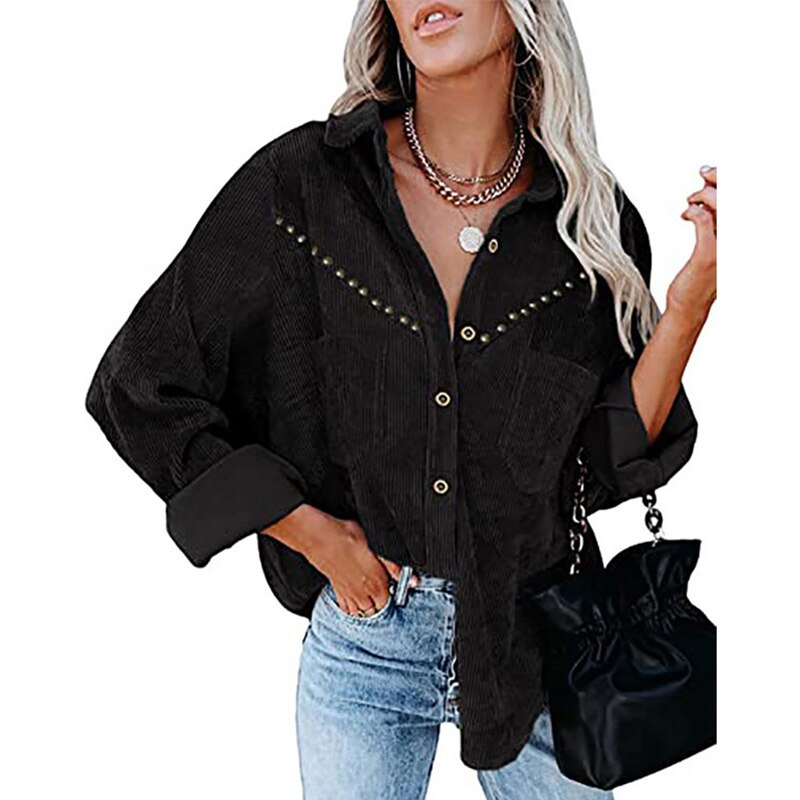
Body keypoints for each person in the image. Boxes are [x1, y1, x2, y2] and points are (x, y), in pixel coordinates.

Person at [84, 1, 717, 797]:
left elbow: (596, 464)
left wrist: (687, 312)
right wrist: (312, 534)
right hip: (366, 646)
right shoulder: (308, 188)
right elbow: (141, 379)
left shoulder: (589, 223)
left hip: (539, 641)